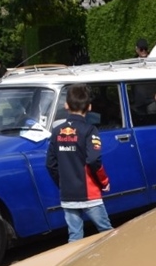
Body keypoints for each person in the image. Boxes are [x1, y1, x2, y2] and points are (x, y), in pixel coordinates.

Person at [46, 84, 113, 242]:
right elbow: (93, 159)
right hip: (89, 194)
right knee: (107, 233)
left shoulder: (56, 131)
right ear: (89, 107)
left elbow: (50, 164)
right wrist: (104, 182)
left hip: (68, 194)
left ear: (66, 105)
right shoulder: (90, 130)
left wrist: (63, 183)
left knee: (75, 237)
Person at [130, 39, 156, 117]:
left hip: (152, 99)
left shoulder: (153, 61)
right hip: (139, 100)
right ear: (137, 50)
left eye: (145, 49)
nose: (144, 51)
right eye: (141, 49)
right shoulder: (132, 63)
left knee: (154, 118)